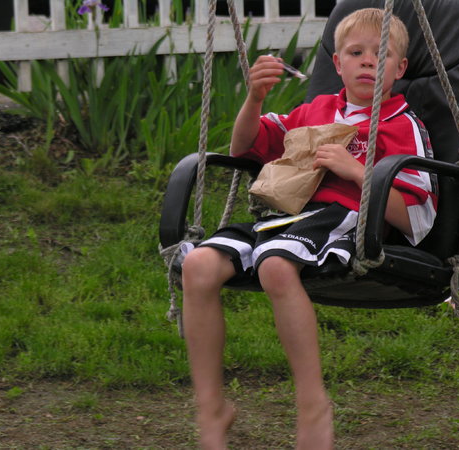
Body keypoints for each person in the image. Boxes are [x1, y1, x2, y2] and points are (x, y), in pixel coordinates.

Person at [180, 8, 437, 449]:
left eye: (380, 54)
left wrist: (356, 170)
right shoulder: (316, 111)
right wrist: (254, 98)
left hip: (347, 221)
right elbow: (244, 147)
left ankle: (312, 404)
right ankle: (210, 408)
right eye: (355, 52)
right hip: (286, 219)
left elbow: (417, 215)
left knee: (276, 266)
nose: (367, 61)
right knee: (198, 265)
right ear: (337, 63)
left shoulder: (401, 124)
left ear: (400, 69)